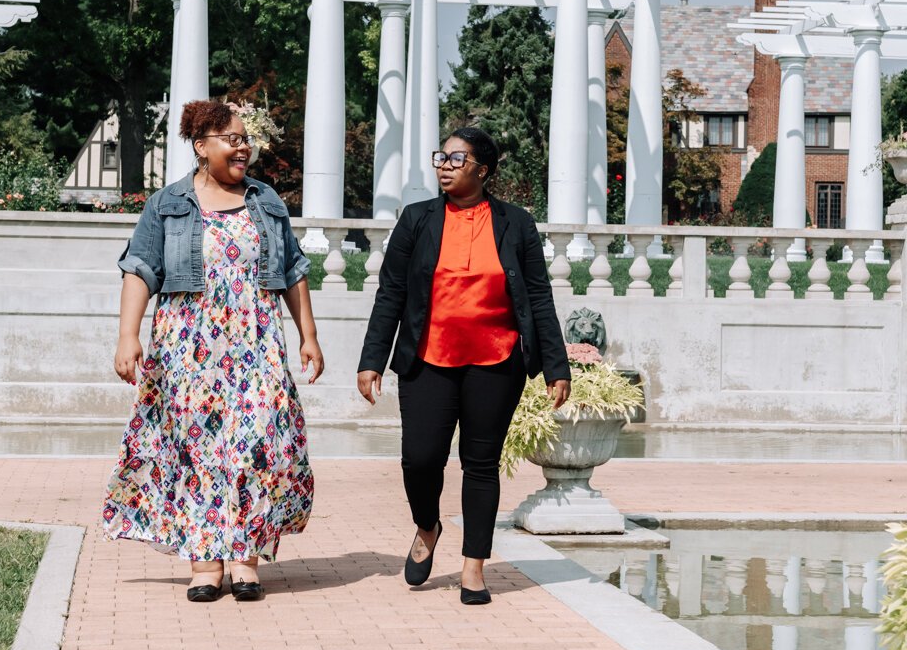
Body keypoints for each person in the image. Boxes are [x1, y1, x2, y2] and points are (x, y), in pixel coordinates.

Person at [101, 99, 323, 603]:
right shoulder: (168, 204)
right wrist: (128, 335)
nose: (244, 146)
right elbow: (139, 267)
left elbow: (292, 270)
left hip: (256, 343)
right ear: (202, 147)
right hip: (188, 347)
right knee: (198, 448)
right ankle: (206, 561)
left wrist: (308, 336)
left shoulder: (265, 202)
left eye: (246, 138)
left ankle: (245, 557)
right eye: (232, 138)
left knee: (259, 442)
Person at [357, 127, 570, 605]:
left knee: (481, 464)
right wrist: (372, 359)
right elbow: (391, 291)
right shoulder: (416, 220)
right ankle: (427, 525)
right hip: (427, 357)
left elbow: (538, 295)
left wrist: (556, 364)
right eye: (442, 156)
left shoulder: (516, 223)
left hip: (496, 359)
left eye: (457, 157)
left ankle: (474, 567)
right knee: (421, 458)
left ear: (483, 170)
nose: (445, 164)